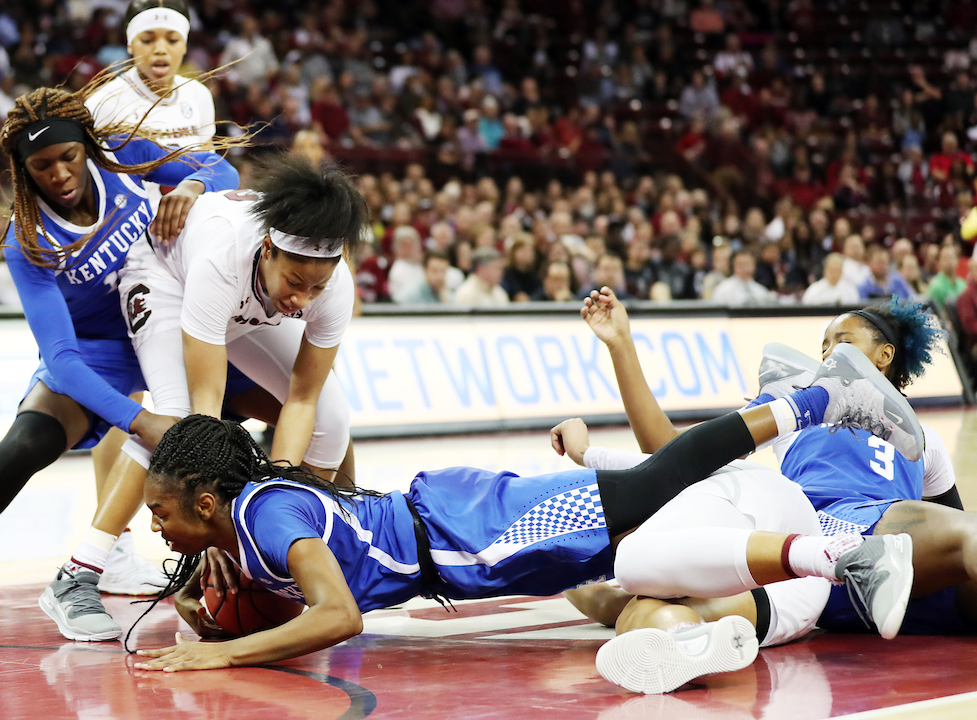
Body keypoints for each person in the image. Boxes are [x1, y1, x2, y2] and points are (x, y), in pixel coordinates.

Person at [130, 362, 915, 674]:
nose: (154, 527)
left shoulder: (265, 516)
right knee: (631, 562)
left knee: (647, 492)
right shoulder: (245, 525)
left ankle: (816, 403)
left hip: (465, 532)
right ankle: (775, 588)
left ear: (206, 502)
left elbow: (337, 616)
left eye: (159, 513)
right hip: (458, 538)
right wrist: (212, 610)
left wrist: (223, 656)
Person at [0, 85, 240, 632]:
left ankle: (274, 554)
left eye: (69, 157)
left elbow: (225, 173)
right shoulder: (28, 237)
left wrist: (189, 185)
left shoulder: (125, 153)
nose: (61, 174)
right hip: (99, 351)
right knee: (27, 443)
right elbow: (63, 360)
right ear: (23, 170)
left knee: (264, 414)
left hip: (170, 323)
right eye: (42, 166)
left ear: (87, 147)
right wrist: (141, 422)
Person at [570, 293, 975, 693]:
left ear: (885, 355)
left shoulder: (927, 439)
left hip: (844, 584)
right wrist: (621, 345)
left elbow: (942, 534)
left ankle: (678, 637)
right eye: (825, 347)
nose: (828, 354)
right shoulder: (805, 409)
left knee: (658, 606)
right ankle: (662, 627)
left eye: (844, 342)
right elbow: (672, 451)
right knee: (965, 536)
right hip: (828, 533)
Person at [63, 155, 367, 643]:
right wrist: (222, 525)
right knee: (178, 418)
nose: (303, 301)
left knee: (333, 414)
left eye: (317, 287)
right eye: (295, 283)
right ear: (268, 250)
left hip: (240, 305)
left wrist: (266, 516)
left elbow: (304, 402)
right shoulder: (225, 255)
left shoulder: (332, 288)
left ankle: (297, 542)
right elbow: (208, 408)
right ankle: (79, 572)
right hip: (167, 278)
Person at [82, 0, 276, 596]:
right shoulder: (105, 100)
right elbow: (135, 175)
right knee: (129, 407)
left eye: (170, 40)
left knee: (146, 403)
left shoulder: (197, 95)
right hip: (120, 256)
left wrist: (193, 180)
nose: (159, 50)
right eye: (147, 40)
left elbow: (213, 171)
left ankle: (116, 548)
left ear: (186, 46)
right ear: (130, 45)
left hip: (176, 255)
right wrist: (194, 174)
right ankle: (107, 549)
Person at [710, 250, 777, 306]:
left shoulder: (761, 291)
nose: (744, 267)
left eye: (747, 263)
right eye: (741, 264)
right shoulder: (723, 290)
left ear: (754, 266)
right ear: (734, 266)